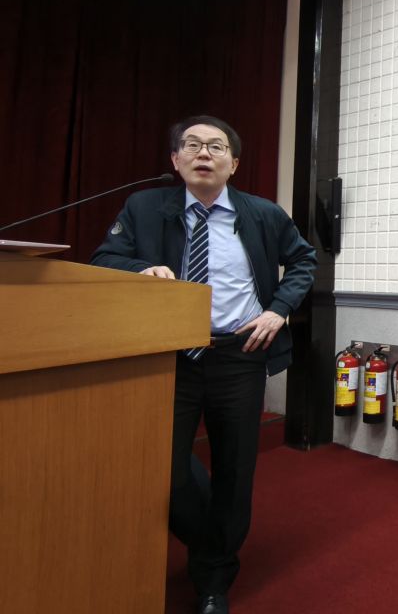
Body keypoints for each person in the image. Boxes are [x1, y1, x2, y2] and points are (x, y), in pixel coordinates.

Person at [92, 115, 316, 614]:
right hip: (170, 356)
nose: (204, 154)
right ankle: (214, 545)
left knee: (235, 470)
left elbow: (304, 261)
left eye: (216, 147)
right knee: (162, 469)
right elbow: (103, 259)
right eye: (192, 145)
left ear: (233, 163)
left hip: (239, 355)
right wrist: (140, 268)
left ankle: (214, 580)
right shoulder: (145, 207)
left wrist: (278, 310)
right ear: (175, 160)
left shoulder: (262, 214)